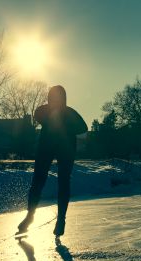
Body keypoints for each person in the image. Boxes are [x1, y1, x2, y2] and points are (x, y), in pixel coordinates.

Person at [17, 85, 88, 237]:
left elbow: (83, 127)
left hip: (66, 148)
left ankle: (61, 219)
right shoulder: (44, 110)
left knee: (63, 182)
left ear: (63, 99)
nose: (55, 101)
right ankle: (29, 217)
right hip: (46, 147)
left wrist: (66, 125)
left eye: (58, 98)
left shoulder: (70, 113)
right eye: (52, 98)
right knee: (38, 181)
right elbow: (37, 114)